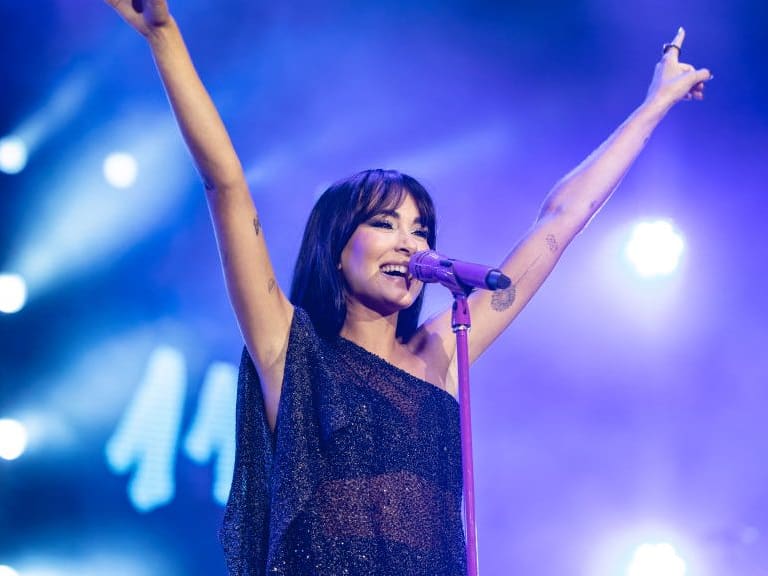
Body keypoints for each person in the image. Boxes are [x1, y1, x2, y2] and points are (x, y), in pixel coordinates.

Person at [105, 1, 712, 574]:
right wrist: (165, 36)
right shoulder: (291, 350)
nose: (409, 243)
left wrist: (653, 106)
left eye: (421, 230)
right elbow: (227, 188)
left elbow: (558, 223)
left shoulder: (442, 354)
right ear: (336, 249)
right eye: (384, 223)